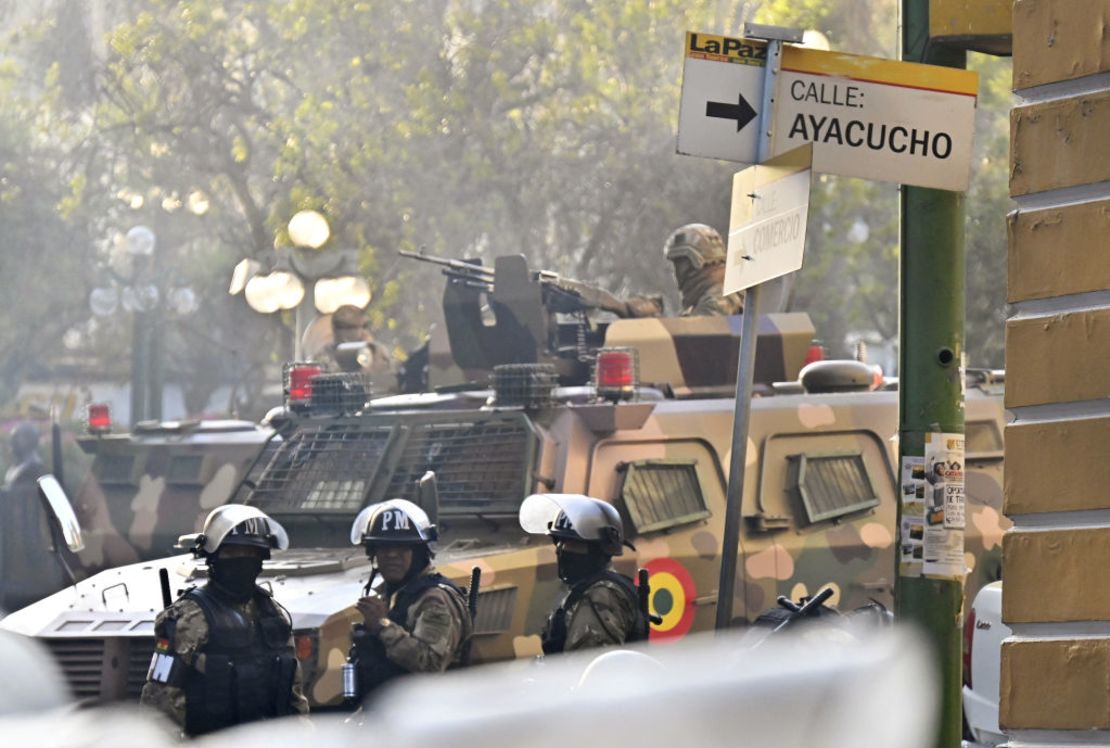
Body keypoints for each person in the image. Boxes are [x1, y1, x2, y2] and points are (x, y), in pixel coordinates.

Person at [140, 505, 307, 736]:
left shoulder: (274, 616)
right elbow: (160, 704)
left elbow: (294, 696)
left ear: (261, 558)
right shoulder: (188, 617)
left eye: (251, 553)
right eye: (231, 553)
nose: (242, 560)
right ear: (212, 558)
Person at [346, 499, 472, 699]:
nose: (392, 555)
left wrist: (383, 626)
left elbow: (431, 665)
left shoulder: (434, 600)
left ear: (419, 553)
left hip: (428, 715)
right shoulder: (392, 595)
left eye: (403, 548)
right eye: (384, 548)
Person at [519, 493, 647, 654]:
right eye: (560, 542)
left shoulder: (600, 595)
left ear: (599, 549)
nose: (562, 551)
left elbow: (587, 667)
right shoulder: (589, 588)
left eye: (573, 544)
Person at [664, 223, 745, 316]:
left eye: (679, 262)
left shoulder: (718, 299)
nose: (676, 270)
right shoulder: (724, 288)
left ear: (695, 260)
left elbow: (699, 329)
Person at [319, 304, 396, 392]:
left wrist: (371, 350)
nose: (362, 331)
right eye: (347, 327)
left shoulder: (377, 351)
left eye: (364, 326)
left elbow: (391, 379)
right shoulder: (325, 356)